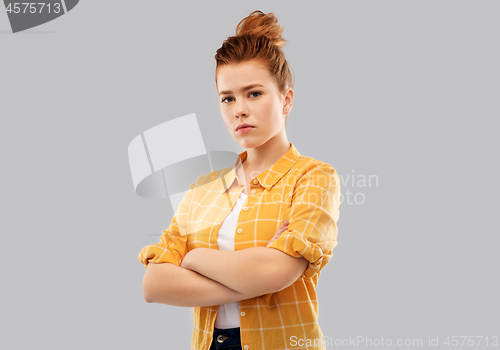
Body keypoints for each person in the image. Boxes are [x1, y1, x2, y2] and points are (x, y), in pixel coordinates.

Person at [138, 10, 341, 350]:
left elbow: (275, 273)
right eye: (227, 98)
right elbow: (154, 284)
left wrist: (194, 258)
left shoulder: (314, 178)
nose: (239, 110)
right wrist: (255, 276)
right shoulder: (203, 188)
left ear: (286, 99)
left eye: (254, 93)